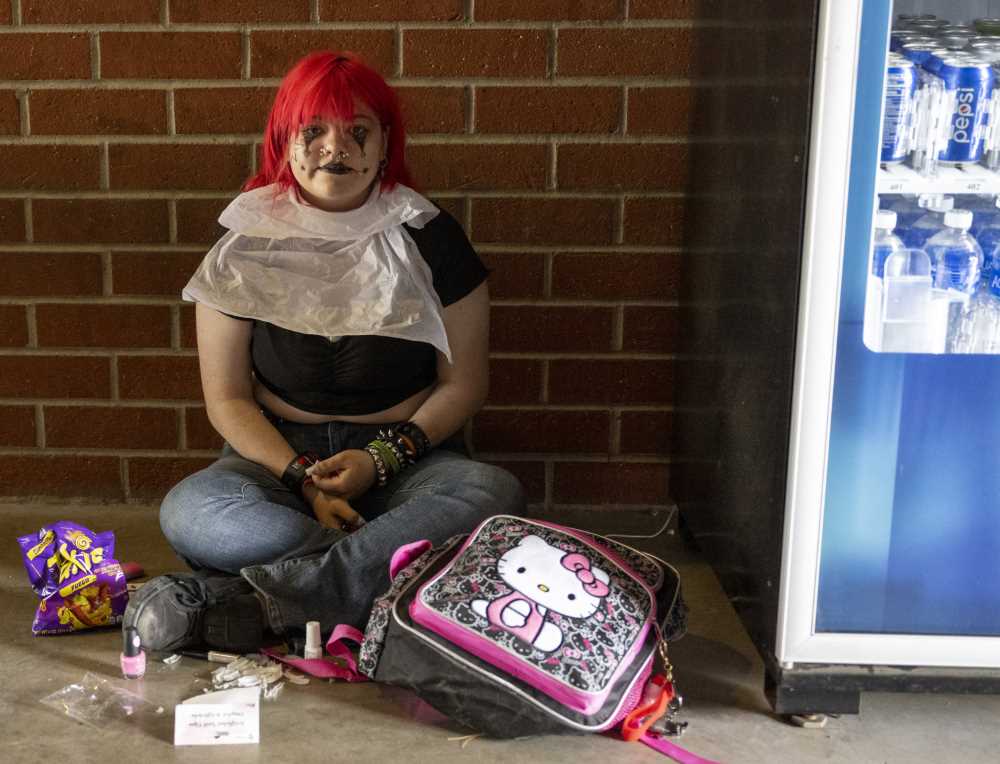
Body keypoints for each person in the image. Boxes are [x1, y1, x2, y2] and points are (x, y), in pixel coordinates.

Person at [124, 51, 526, 654]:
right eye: (313, 131)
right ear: (285, 142)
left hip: (408, 461)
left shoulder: (431, 235)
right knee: (191, 510)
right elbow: (228, 397)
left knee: (490, 494)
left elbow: (463, 385)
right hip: (276, 463)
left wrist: (379, 462)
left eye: (357, 132)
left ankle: (260, 602)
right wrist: (306, 484)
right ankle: (381, 573)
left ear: (385, 143)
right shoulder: (245, 240)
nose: (335, 149)